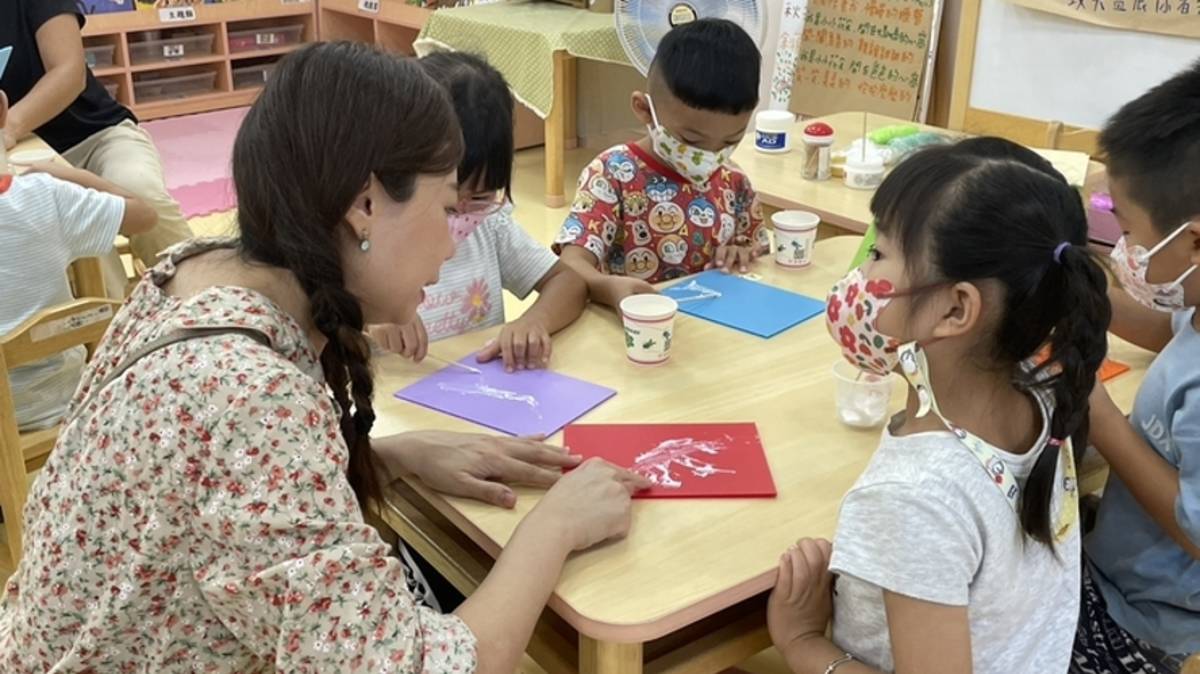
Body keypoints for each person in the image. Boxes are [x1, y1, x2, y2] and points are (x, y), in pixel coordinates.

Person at [0, 42, 649, 673]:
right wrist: (554, 527)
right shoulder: (255, 401)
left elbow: (220, 499)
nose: (452, 249)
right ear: (366, 205)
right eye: (448, 207)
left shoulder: (188, 273)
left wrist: (383, 456)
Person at [766, 139, 1111, 674]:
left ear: (955, 309)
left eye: (877, 254)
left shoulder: (912, 500)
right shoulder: (1045, 396)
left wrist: (802, 641)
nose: (860, 277)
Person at [1073, 60, 1200, 674]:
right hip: (1124, 576)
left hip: (1140, 623)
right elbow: (1163, 328)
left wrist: (1100, 417)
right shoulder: (1196, 308)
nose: (1122, 249)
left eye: (1128, 230)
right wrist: (1086, 295)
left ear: (1195, 241)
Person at [369, 51, 587, 372]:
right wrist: (369, 326)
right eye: (449, 200)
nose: (463, 214)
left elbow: (568, 282)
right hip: (396, 408)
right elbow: (313, 326)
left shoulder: (490, 225)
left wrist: (533, 322)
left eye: (481, 196)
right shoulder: (366, 240)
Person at [553, 18, 768, 309]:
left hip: (713, 331)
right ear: (644, 109)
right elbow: (572, 263)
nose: (710, 155)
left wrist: (741, 254)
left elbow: (757, 251)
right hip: (634, 328)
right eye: (691, 139)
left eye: (730, 141)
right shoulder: (612, 174)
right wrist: (603, 286)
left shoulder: (734, 181)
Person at [0, 0, 193, 297]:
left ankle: (199, 293)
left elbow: (68, 71)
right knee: (74, 235)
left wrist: (9, 126)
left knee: (140, 189)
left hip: (99, 135)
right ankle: (114, 327)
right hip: (20, 160)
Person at [0, 89, 155, 432]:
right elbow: (144, 216)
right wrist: (64, 174)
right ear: (3, 111)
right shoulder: (45, 195)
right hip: (58, 405)